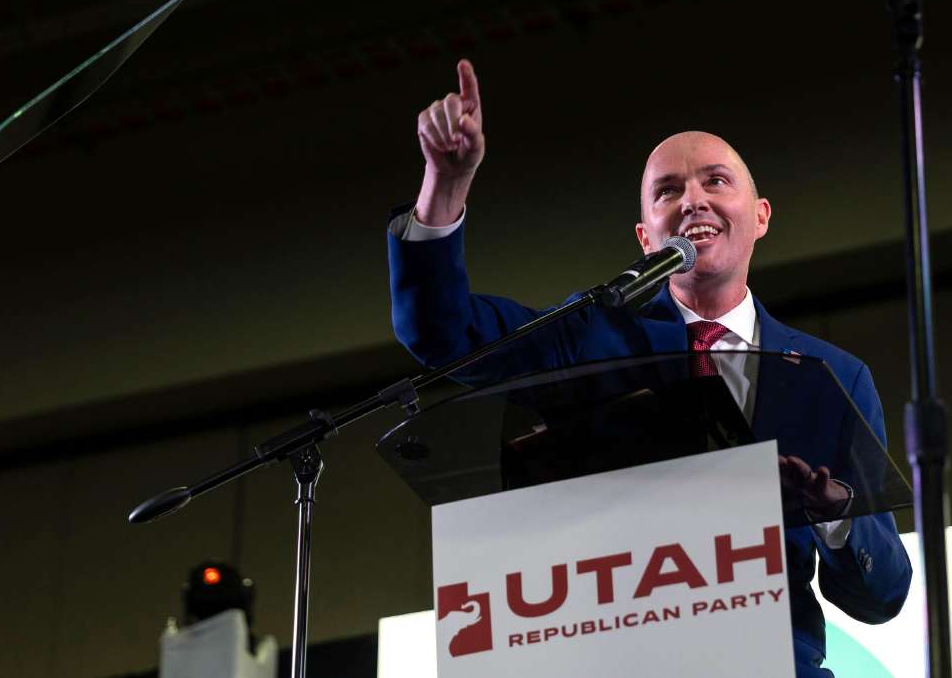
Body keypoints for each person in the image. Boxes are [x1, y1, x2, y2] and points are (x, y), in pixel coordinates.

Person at [388, 59, 912, 677]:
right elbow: (444, 334)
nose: (693, 200)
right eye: (668, 191)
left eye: (716, 182)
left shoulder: (830, 373)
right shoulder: (593, 334)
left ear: (761, 216)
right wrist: (445, 186)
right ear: (646, 237)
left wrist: (836, 515)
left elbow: (882, 594)